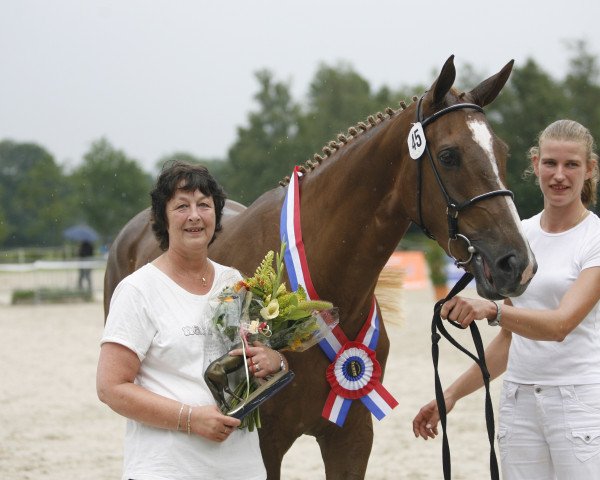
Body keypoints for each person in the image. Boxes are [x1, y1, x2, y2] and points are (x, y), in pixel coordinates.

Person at [412, 119, 600, 479]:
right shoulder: (522, 236)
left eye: (571, 165)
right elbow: (510, 341)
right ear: (535, 164)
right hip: (518, 403)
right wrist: (450, 395)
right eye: (550, 163)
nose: (559, 175)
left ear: (589, 169)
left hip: (579, 405)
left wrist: (493, 308)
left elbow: (561, 325)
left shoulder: (594, 240)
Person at [96, 162, 287, 480]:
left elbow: (254, 361)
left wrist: (275, 361)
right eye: (182, 206)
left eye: (204, 205)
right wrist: (189, 419)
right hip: (166, 469)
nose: (195, 216)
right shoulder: (138, 290)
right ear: (162, 218)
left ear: (217, 214)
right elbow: (111, 387)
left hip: (241, 468)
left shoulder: (235, 282)